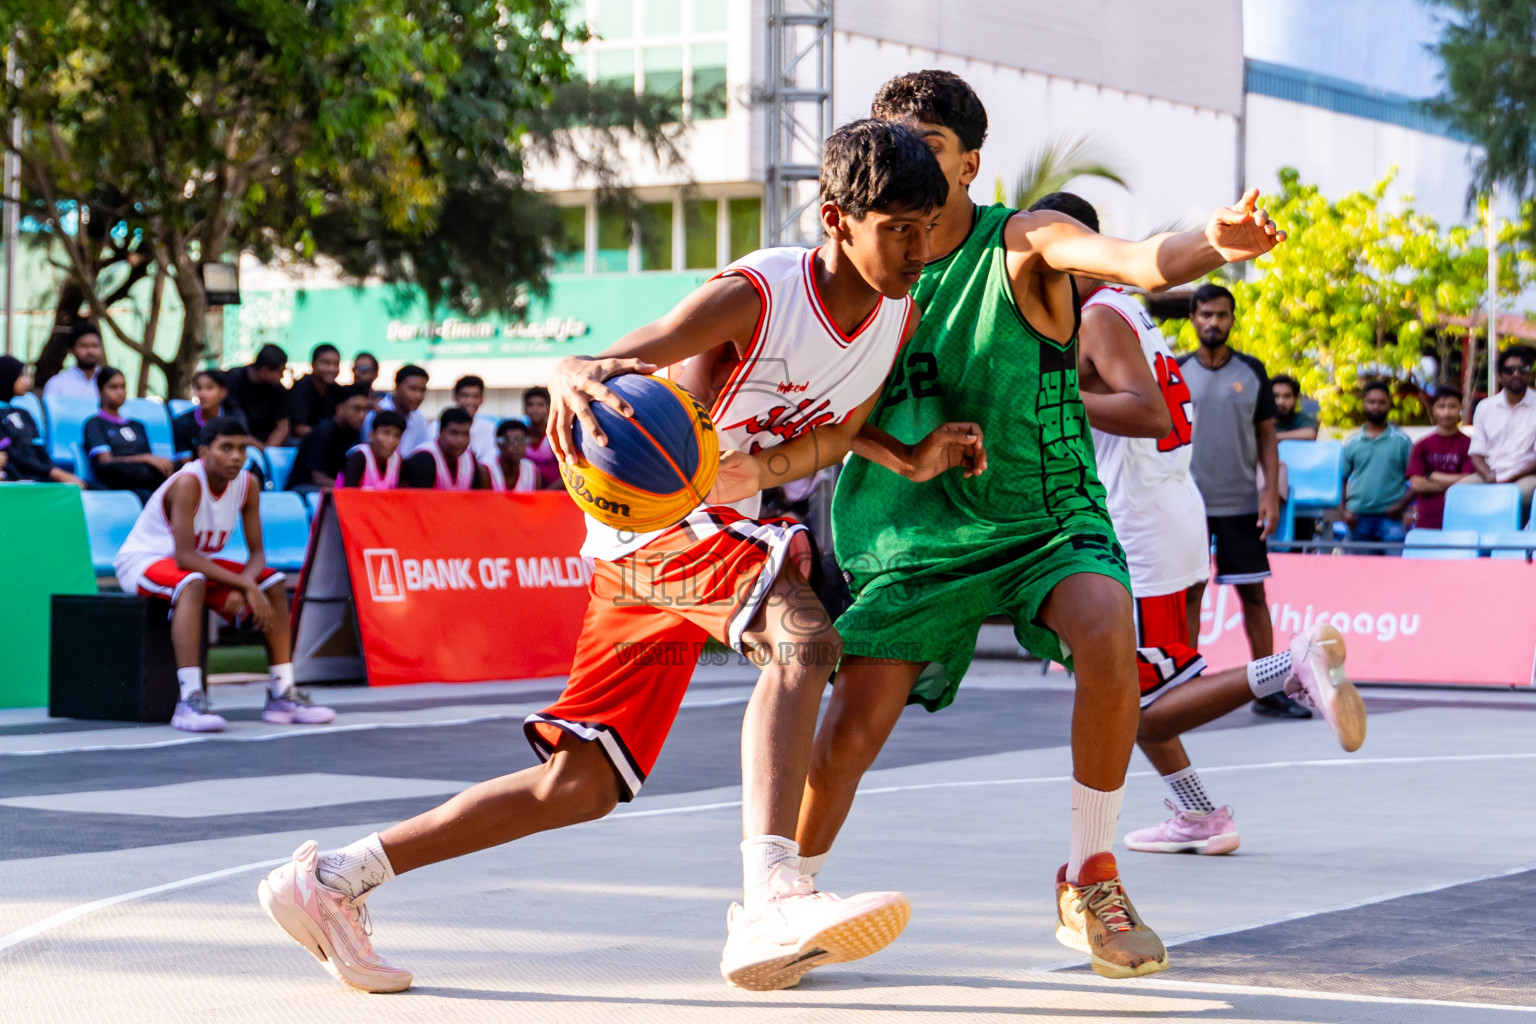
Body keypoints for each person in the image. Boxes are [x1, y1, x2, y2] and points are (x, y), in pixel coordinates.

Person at [258, 118, 984, 995]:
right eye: (896, 228)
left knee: (578, 785)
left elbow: (839, 430)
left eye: (928, 225)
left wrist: (905, 458)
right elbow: (609, 359)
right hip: (659, 519)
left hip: (686, 541)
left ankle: (334, 879)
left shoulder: (897, 315)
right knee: (804, 636)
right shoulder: (759, 293)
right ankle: (770, 894)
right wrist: (568, 371)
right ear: (837, 220)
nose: (917, 247)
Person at [792, 71, 1282, 982]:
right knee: (853, 728)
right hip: (913, 531)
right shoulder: (852, 262)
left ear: (970, 162)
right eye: (890, 141)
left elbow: (1135, 260)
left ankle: (1091, 873)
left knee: (1106, 624)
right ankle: (790, 895)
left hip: (1043, 515)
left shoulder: (1022, 241)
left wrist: (1212, 243)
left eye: (928, 145)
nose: (906, 160)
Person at [1038, 191, 1364, 856]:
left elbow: (1147, 411)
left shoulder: (1100, 318)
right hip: (1164, 509)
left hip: (1139, 526)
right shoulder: (1124, 309)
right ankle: (1200, 815)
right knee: (1136, 689)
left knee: (1134, 701)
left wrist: (1056, 391)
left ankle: (1288, 667)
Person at [112, 415, 336, 733]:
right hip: (144, 561)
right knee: (192, 582)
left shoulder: (248, 484)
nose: (235, 457)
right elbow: (185, 557)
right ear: (203, 453)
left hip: (194, 565)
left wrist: (246, 585)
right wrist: (244, 584)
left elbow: (257, 554)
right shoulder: (189, 481)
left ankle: (281, 693)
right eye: (225, 448)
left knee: (272, 581)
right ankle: (189, 700)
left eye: (242, 449)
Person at [1177, 284, 1303, 719]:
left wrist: (1269, 493)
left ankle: (1269, 690)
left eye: (1222, 315)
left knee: (1253, 594)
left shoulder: (1252, 371)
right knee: (1190, 594)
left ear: (1232, 319)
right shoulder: (1174, 371)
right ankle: (1184, 689)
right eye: (1206, 314)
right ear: (1192, 318)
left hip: (1240, 505)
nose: (1214, 322)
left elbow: (1267, 435)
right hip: (1187, 506)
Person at [1339, 381, 1413, 551]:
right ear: (1363, 404)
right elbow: (1340, 480)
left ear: (1389, 405)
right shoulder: (1352, 442)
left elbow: (1416, 480)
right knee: (1360, 574)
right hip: (1357, 518)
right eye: (1371, 402)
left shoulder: (1402, 441)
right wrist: (1343, 512)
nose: (1376, 407)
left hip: (1391, 517)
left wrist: (1402, 507)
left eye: (1381, 402)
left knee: (1394, 572)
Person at [1466, 344, 1536, 516]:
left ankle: (1514, 540)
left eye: (1522, 369)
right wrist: (1488, 476)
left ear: (1530, 373)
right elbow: (1476, 452)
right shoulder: (1485, 407)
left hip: (1524, 476)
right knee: (1455, 493)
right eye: (1509, 370)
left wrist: (1509, 479)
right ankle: (1471, 541)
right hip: (1491, 475)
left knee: (1520, 496)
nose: (1516, 374)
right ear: (1498, 375)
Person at [84, 366, 174, 500]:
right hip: (118, 477)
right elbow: (105, 461)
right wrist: (144, 458)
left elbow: (151, 459)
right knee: (124, 472)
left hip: (143, 476)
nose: (120, 392)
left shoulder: (138, 425)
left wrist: (153, 461)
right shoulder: (94, 424)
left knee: (174, 467)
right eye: (113, 387)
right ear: (100, 390)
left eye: (123, 387)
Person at [0, 356, 85, 485]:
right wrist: (54, 473)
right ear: (6, 377)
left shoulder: (24, 413)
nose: (27, 381)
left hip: (40, 475)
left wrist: (54, 471)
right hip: (15, 479)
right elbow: (12, 456)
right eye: (21, 376)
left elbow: (39, 449)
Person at [1407, 387, 1475, 530]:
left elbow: (1469, 481)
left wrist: (1432, 476)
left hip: (1461, 519)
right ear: (1433, 410)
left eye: (1452, 406)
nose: (1446, 412)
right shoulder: (1421, 446)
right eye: (1441, 406)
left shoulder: (1471, 445)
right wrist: (1453, 484)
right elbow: (1416, 484)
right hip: (1427, 521)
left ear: (1460, 409)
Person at [288, 385, 372, 492]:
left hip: (336, 487)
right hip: (305, 488)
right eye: (356, 409)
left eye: (366, 410)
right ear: (339, 409)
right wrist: (349, 490)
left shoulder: (355, 431)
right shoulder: (323, 432)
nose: (362, 415)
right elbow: (317, 478)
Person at [173, 369, 251, 463]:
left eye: (209, 388)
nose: (202, 394)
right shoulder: (182, 422)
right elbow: (186, 463)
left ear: (223, 392)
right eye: (199, 388)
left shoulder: (235, 419)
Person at [401, 406, 488, 490]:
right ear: (440, 432)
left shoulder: (469, 457)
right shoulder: (423, 458)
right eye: (454, 433)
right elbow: (420, 501)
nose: (460, 440)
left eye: (465, 434)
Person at [225, 344, 293, 448]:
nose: (282, 376)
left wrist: (268, 451)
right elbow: (234, 422)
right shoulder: (232, 380)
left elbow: (282, 426)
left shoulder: (278, 389)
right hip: (236, 438)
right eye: (280, 371)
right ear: (266, 370)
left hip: (266, 440)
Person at [363, 364, 430, 455]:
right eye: (413, 389)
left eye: (422, 390)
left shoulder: (419, 418)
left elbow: (422, 452)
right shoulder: (374, 414)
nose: (418, 396)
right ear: (397, 387)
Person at [430, 375, 497, 462]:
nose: (470, 401)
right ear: (455, 397)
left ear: (481, 399)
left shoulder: (490, 428)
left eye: (475, 396)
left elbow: (490, 461)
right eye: (465, 396)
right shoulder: (436, 426)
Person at [339, 410, 405, 490]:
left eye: (397, 436)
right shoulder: (359, 457)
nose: (391, 440)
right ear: (371, 434)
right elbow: (348, 494)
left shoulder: (397, 459)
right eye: (386, 433)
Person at [289, 344, 342, 440]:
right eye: (326, 363)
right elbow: (299, 429)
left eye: (336, 364)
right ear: (313, 364)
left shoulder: (336, 389)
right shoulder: (301, 387)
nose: (331, 369)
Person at [42, 322, 107, 402]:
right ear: (71, 350)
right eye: (84, 346)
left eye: (94, 345)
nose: (90, 351)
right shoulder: (57, 384)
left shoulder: (109, 381)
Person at [482, 418, 540, 492]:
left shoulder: (532, 470)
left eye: (521, 440)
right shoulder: (486, 470)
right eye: (510, 440)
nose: (516, 446)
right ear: (499, 444)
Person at [520, 385, 560, 487]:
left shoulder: (556, 435)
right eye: (530, 405)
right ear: (524, 408)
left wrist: (545, 494)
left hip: (554, 496)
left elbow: (568, 473)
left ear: (549, 408)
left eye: (540, 405)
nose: (535, 409)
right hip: (527, 496)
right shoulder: (520, 436)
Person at [1272, 374, 1319, 440]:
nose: (1280, 402)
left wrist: (1273, 437)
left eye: (1287, 396)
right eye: (1275, 396)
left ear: (1295, 399)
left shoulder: (1300, 419)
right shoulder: (1261, 420)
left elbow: (1310, 433)